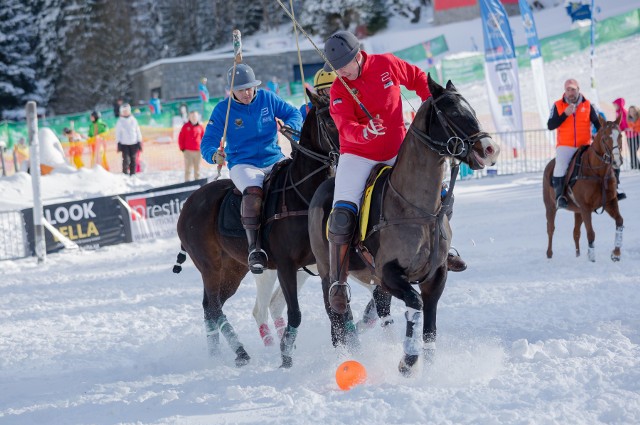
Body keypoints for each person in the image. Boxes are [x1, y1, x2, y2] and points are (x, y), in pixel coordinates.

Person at [321, 30, 465, 313]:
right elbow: (345, 126)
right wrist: (365, 131)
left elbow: (420, 80)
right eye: (335, 69)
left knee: (441, 193)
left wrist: (433, 105)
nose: (340, 72)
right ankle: (338, 282)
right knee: (340, 215)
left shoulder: (386, 64)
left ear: (357, 55)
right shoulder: (339, 89)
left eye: (343, 66)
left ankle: (442, 250)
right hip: (358, 155)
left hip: (398, 149)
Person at [200, 63, 302, 274]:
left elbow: (294, 113)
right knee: (254, 193)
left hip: (274, 157)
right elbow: (208, 141)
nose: (247, 93)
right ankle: (255, 248)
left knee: (296, 181)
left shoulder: (267, 98)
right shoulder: (223, 110)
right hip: (243, 163)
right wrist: (213, 154)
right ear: (231, 91)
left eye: (249, 88)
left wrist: (291, 127)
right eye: (240, 89)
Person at [547, 78, 620, 209]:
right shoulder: (557, 105)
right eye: (568, 90)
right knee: (561, 166)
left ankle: (613, 191)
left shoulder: (588, 105)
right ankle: (560, 197)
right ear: (565, 91)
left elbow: (598, 123)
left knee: (604, 159)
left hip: (585, 144)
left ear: (578, 90)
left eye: (573, 89)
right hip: (566, 145)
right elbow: (551, 125)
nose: (571, 93)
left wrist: (602, 133)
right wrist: (565, 114)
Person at [115, 103, 143, 176]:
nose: (125, 112)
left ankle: (133, 174)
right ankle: (125, 173)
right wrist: (118, 143)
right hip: (124, 144)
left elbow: (137, 131)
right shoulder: (120, 121)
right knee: (126, 160)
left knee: (133, 159)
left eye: (126, 111)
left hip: (134, 142)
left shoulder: (133, 120)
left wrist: (139, 141)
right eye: (124, 111)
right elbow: (118, 133)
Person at [178, 111, 204, 181]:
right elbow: (181, 138)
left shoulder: (200, 127)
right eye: (192, 116)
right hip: (188, 151)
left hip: (198, 151)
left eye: (195, 116)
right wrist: (182, 148)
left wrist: (203, 148)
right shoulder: (185, 126)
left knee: (197, 168)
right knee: (188, 168)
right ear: (189, 117)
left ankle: (197, 180)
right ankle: (187, 181)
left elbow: (203, 138)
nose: (194, 118)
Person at [626, 105, 640, 169]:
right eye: (630, 111)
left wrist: (633, 129)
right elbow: (630, 127)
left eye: (633, 110)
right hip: (630, 137)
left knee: (633, 151)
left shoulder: (638, 118)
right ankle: (634, 165)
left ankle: (636, 165)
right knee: (632, 152)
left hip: (637, 136)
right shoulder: (629, 118)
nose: (632, 112)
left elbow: (637, 128)